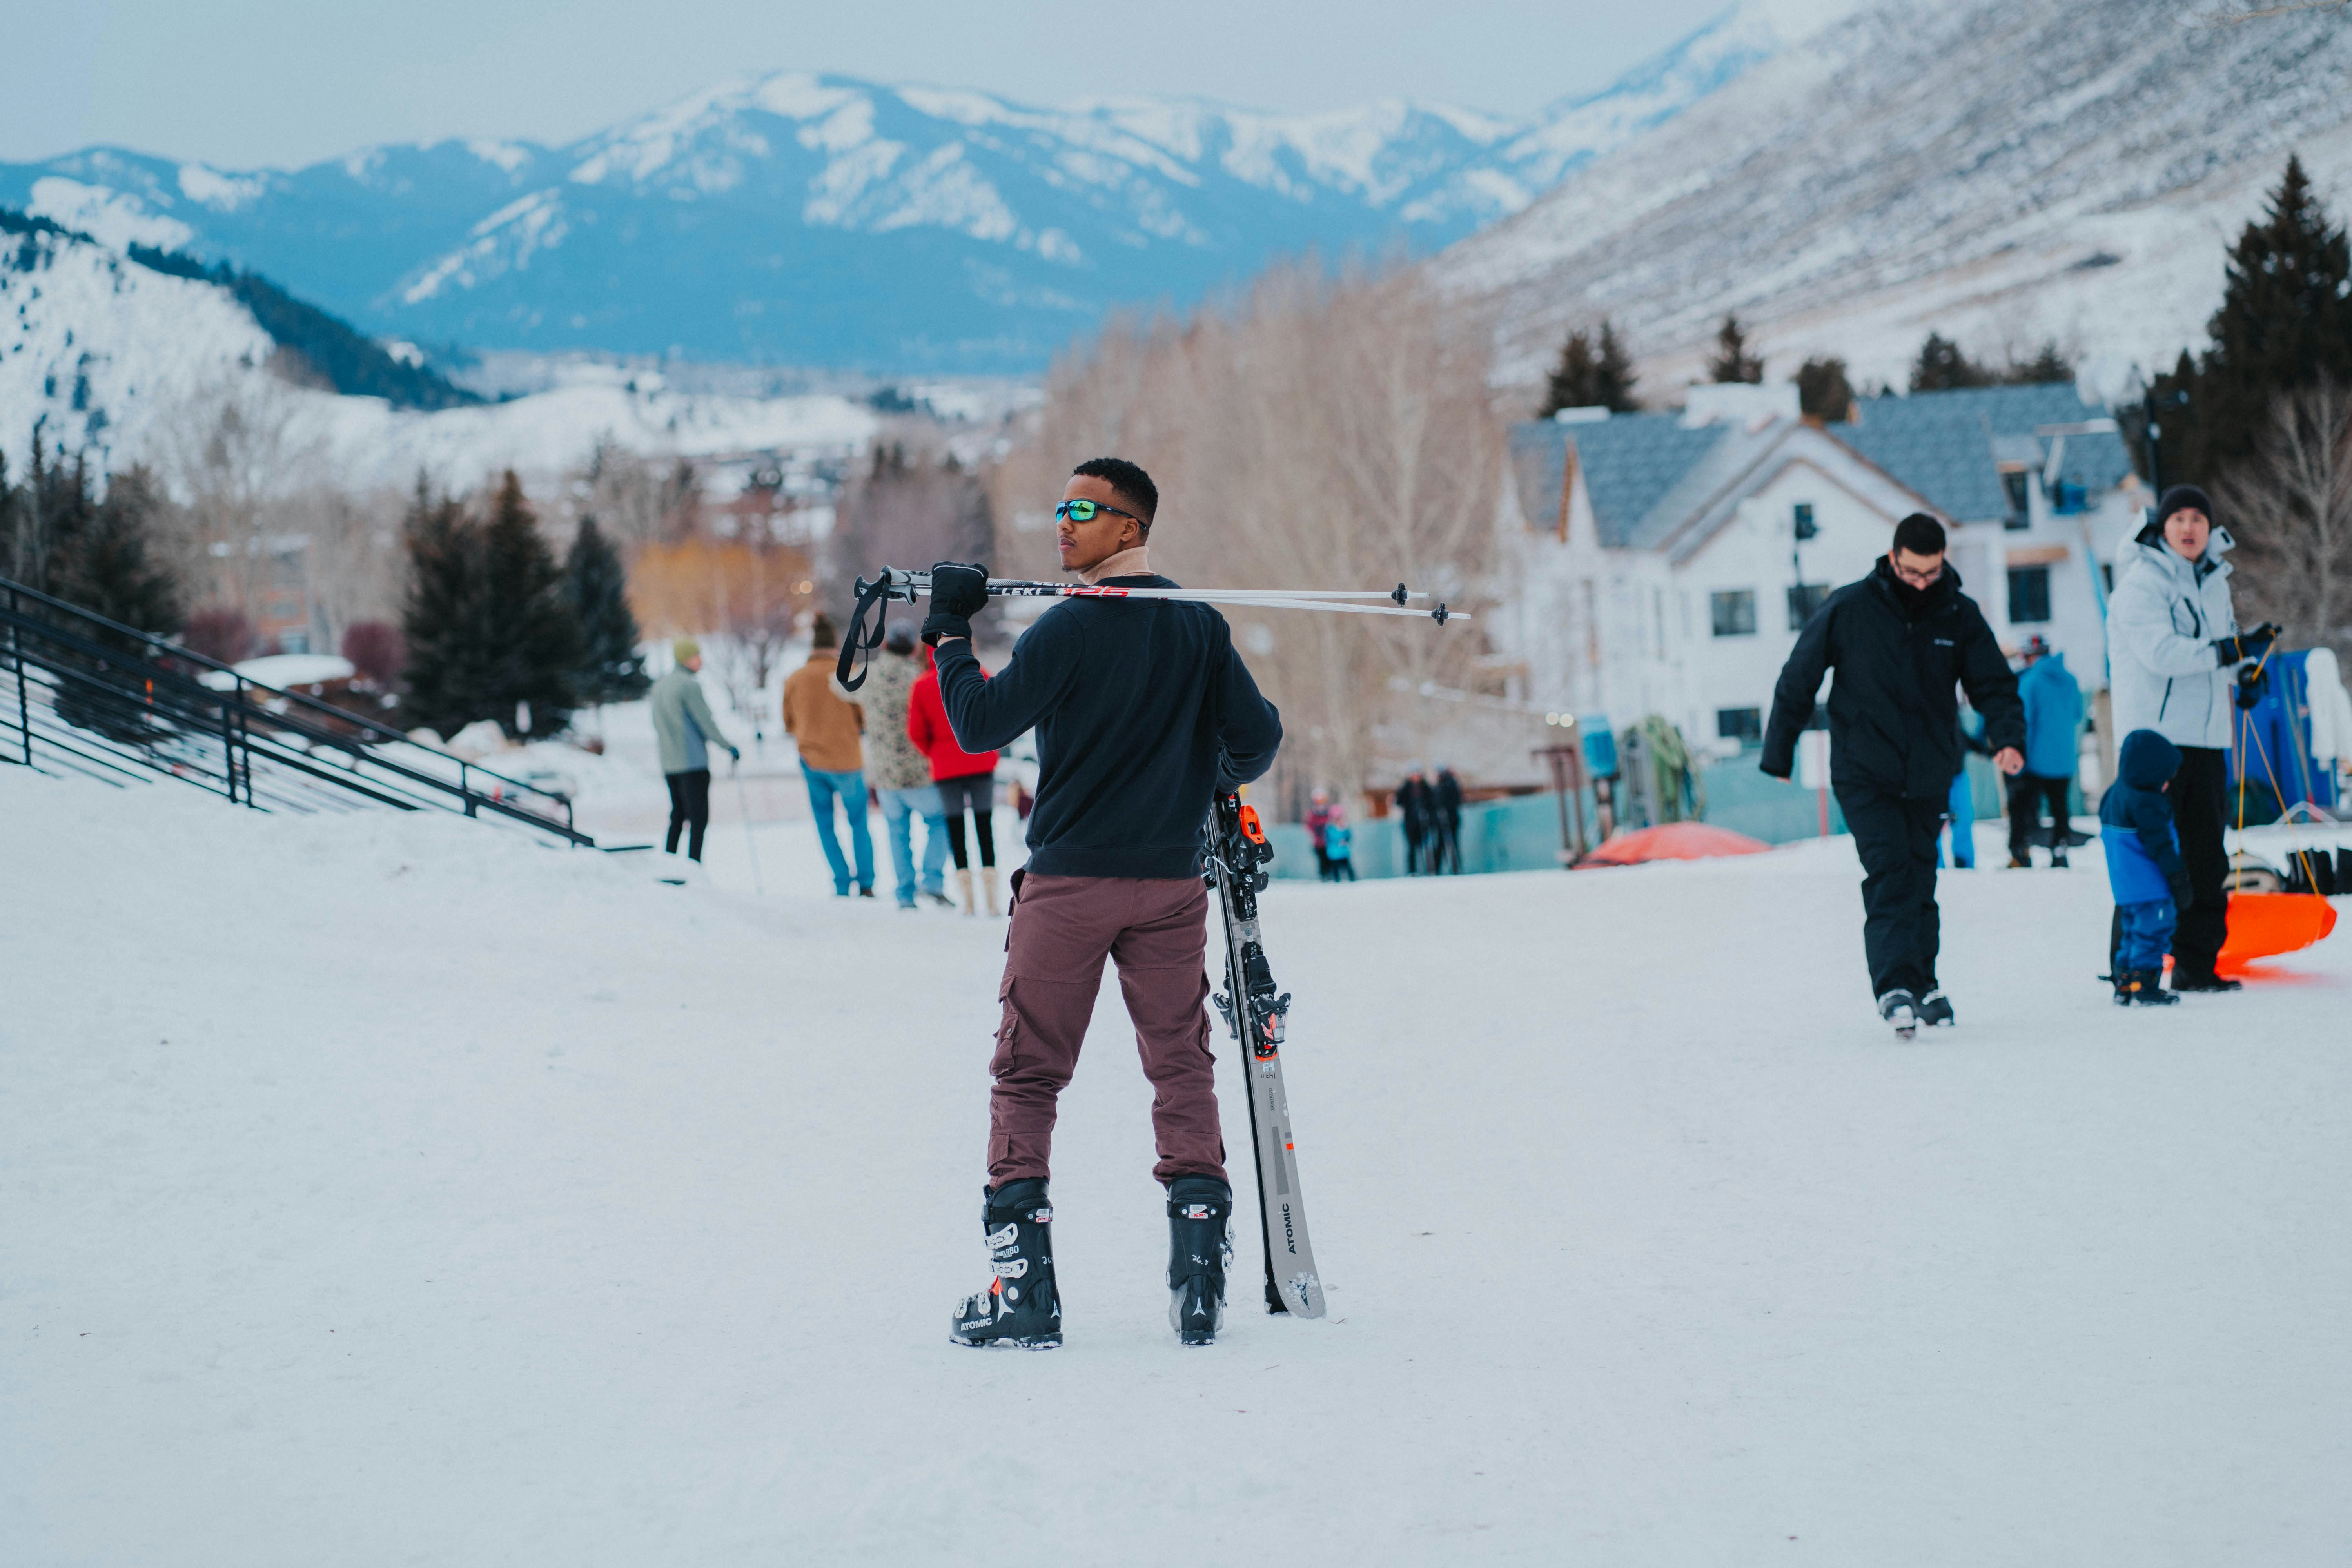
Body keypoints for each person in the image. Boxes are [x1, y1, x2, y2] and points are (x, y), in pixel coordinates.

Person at [926, 456, 1281, 1350]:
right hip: (1167, 885)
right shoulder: (1197, 627)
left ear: (1131, 527)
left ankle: (1024, 1295)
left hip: (1071, 884)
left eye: (1085, 509)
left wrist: (947, 632)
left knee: (1027, 1072)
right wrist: (1196, 772)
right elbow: (1258, 739)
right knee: (1180, 1065)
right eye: (1060, 506)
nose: (1065, 521)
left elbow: (976, 724)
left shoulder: (1068, 629)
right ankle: (1199, 1283)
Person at [1760, 513, 2026, 1036]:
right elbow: (1798, 677)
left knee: (1922, 875)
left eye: (1931, 573)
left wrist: (2008, 738)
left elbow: (1994, 684)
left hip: (1929, 770)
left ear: (1942, 562)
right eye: (1912, 573)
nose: (1922, 583)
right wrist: (1779, 752)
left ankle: (1924, 983)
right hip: (1865, 770)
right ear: (1893, 558)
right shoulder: (1850, 607)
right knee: (1890, 871)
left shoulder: (1959, 614)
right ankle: (1893, 987)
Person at [2107, 484, 2278, 993]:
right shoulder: (2141, 584)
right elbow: (2164, 654)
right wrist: (2229, 652)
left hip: (2207, 739)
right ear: (2163, 527)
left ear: (2209, 529)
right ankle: (2130, 965)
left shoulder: (2214, 583)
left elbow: (2219, 652)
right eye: (2178, 518)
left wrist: (2246, 674)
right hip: (2154, 744)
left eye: (2197, 520)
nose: (2188, 528)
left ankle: (2197, 966)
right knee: (2147, 853)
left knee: (2207, 856)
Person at [846, 623, 952, 910]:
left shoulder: (866, 677)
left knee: (897, 832)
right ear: (915, 649)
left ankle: (905, 894)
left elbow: (838, 685)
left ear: (884, 646)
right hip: (920, 772)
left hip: (884, 774)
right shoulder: (919, 678)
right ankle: (932, 882)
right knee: (940, 823)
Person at [781, 615, 875, 897]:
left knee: (825, 824)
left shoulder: (795, 679)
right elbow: (864, 717)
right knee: (859, 822)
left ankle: (841, 881)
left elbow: (787, 722)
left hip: (812, 762)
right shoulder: (850, 671)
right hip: (847, 762)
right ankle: (867, 882)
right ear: (835, 647)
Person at [909, 645, 1003, 916]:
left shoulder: (922, 685)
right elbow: (997, 711)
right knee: (985, 828)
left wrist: (937, 753)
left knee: (956, 830)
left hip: (945, 767)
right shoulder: (978, 675)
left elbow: (915, 731)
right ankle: (992, 900)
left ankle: (969, 901)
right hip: (981, 760)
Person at [2100, 729, 2192, 1007]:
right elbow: (2162, 847)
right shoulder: (2147, 803)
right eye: (2164, 778)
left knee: (2130, 934)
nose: (2166, 785)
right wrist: (2178, 879)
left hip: (2125, 887)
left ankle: (2125, 983)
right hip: (2150, 886)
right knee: (2152, 934)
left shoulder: (2114, 795)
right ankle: (2146, 986)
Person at [648, 636, 738, 863]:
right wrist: (729, 747)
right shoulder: (689, 686)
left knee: (678, 815)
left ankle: (669, 865)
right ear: (685, 659)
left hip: (669, 763)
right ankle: (693, 867)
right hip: (692, 763)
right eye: (696, 657)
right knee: (698, 819)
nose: (700, 661)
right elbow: (705, 723)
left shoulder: (659, 686)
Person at [2007, 635, 2085, 869]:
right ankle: (2059, 853)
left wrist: (2018, 756)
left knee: (2022, 808)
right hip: (2064, 760)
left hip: (2034, 761)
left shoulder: (2030, 681)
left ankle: (2021, 853)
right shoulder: (2071, 680)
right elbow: (2078, 714)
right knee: (2060, 808)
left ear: (2028, 656)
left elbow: (2024, 721)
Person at [1941, 707, 1993, 869]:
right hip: (1937, 778)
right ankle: (1934, 865)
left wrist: (1985, 749)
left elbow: (1962, 738)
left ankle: (1964, 863)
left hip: (1958, 777)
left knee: (1963, 819)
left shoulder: (1953, 716)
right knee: (1934, 822)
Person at [1397, 768, 1435, 875]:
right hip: (1410, 822)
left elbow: (1432, 802)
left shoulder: (1426, 788)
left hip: (1424, 822)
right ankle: (1412, 871)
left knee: (1426, 846)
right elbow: (1400, 801)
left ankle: (1429, 869)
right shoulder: (1406, 788)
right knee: (1412, 847)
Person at [1434, 765, 1465, 874]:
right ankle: (1437, 869)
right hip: (1441, 821)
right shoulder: (1438, 786)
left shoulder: (1450, 784)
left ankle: (1456, 867)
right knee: (1440, 846)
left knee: (1453, 844)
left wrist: (1446, 810)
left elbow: (1456, 800)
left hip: (1451, 820)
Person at [1305, 788, 1335, 881]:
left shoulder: (1329, 812)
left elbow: (1333, 822)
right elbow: (1309, 826)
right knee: (1322, 859)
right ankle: (1324, 876)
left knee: (1330, 859)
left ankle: (1331, 874)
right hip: (1319, 842)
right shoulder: (1312, 813)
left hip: (1329, 841)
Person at [1323, 806, 1356, 881]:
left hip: (1343, 852)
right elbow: (1328, 838)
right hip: (1333, 853)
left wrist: (1346, 840)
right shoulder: (1330, 828)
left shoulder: (1345, 828)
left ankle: (1352, 878)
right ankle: (1336, 879)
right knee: (1335, 867)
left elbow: (1349, 837)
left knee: (1348, 866)